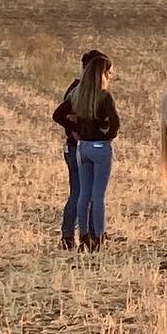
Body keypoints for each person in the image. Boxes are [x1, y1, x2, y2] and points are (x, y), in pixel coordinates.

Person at [52, 49, 106, 249]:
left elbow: (59, 115)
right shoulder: (83, 90)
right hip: (82, 148)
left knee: (81, 193)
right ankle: (90, 236)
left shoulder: (76, 88)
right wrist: (77, 130)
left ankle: (71, 236)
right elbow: (59, 114)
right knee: (86, 194)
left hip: (75, 147)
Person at [72, 54, 120, 251]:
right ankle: (98, 236)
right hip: (100, 147)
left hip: (82, 147)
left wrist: (76, 130)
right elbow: (115, 124)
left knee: (84, 193)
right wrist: (106, 133)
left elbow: (58, 114)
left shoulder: (77, 94)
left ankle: (83, 235)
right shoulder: (104, 96)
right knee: (98, 196)